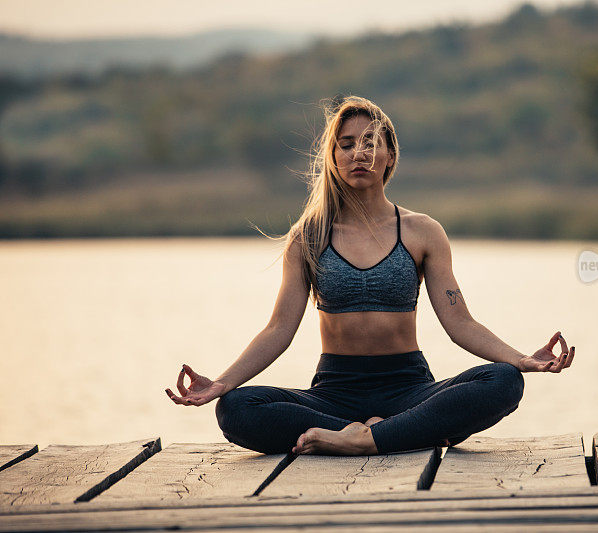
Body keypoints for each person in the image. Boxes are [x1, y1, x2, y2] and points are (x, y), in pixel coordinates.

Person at [165, 95, 575, 456]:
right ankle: (376, 435)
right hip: (333, 394)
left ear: (390, 156)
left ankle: (362, 440)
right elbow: (279, 329)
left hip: (410, 389)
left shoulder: (422, 232)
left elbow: (459, 322)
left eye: (370, 143)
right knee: (235, 409)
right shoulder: (308, 237)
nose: (358, 153)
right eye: (346, 145)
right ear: (334, 157)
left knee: (503, 382)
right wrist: (221, 383)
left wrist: (520, 359)